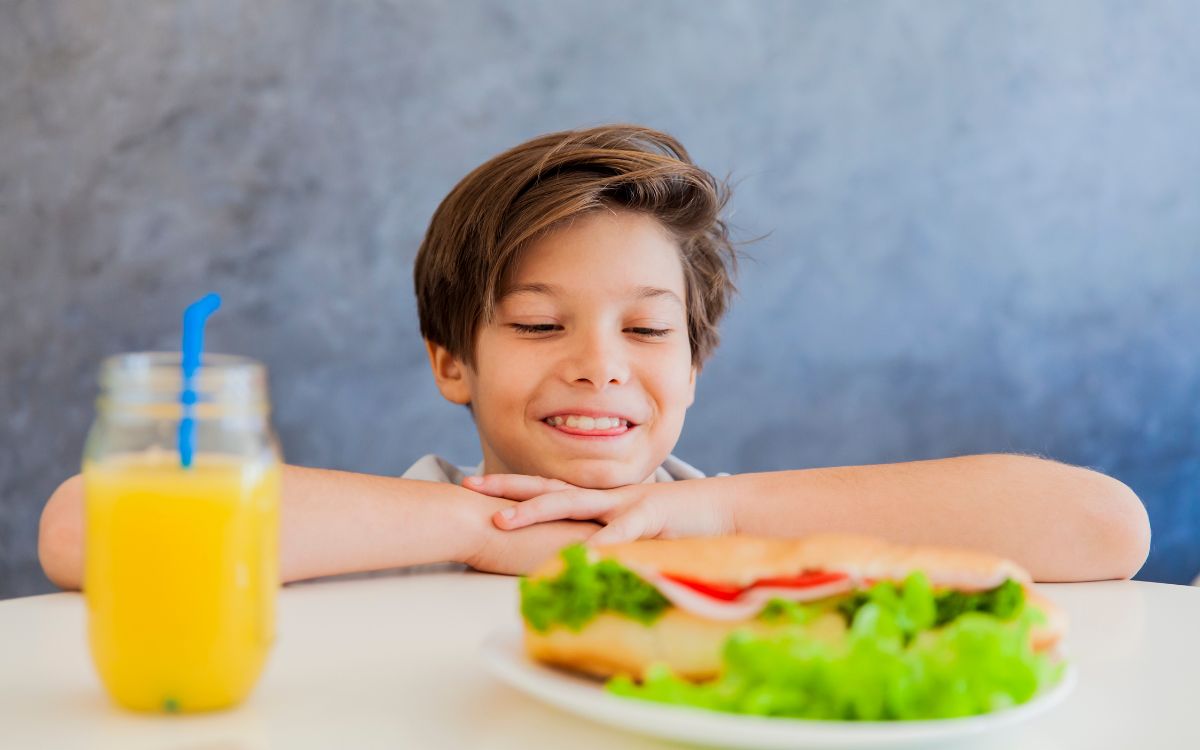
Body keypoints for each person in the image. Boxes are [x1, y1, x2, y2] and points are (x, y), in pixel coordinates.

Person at [38, 125, 1151, 590]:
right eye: (537, 324)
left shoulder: (733, 528)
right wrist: (489, 526)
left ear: (696, 360)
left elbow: (1106, 529)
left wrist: (707, 522)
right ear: (451, 362)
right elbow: (85, 527)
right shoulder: (389, 534)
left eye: (646, 328)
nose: (598, 364)